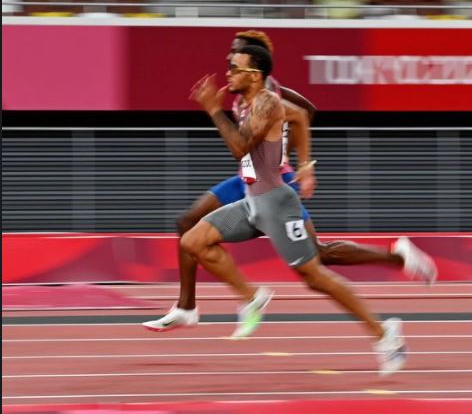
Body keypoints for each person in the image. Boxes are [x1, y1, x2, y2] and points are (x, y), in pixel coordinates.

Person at [142, 31, 436, 332]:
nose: (228, 61)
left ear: (253, 66)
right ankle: (188, 306)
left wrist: (301, 162)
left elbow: (302, 114)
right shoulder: (240, 94)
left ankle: (396, 264)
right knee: (188, 223)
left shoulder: (268, 93)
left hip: (275, 181)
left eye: (235, 55)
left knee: (317, 259)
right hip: (250, 179)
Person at [177, 45, 407, 375]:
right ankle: (252, 296)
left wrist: (213, 110)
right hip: (252, 202)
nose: (227, 72)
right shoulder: (244, 102)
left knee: (315, 275)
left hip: (277, 204)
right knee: (192, 240)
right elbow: (282, 128)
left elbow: (241, 146)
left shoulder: (267, 103)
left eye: (234, 67)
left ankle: (385, 334)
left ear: (254, 75)